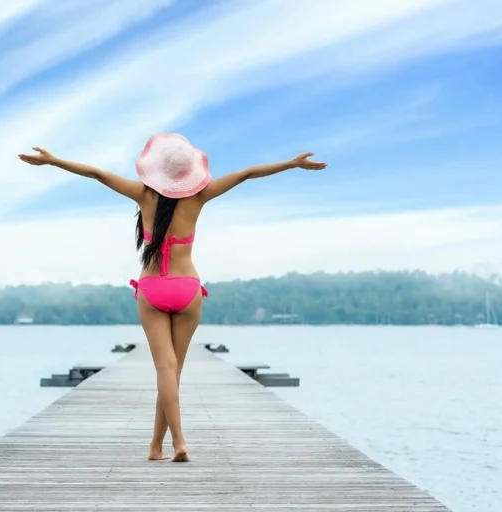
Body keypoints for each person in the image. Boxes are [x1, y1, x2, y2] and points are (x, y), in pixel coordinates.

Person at [18, 133, 326, 462]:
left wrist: (53, 161)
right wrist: (292, 165)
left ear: (157, 171)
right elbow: (247, 173)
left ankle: (171, 443)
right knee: (173, 372)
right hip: (187, 289)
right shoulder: (200, 197)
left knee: (165, 370)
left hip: (152, 288)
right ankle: (161, 445)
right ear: (188, 173)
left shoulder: (143, 196)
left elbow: (97, 174)